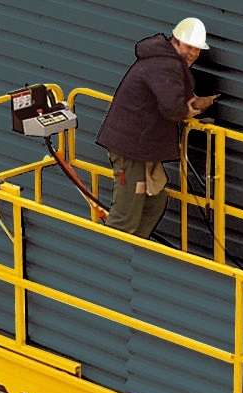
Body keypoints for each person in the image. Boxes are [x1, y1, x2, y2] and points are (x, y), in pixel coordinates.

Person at [96, 17, 217, 238]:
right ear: (175, 42)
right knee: (126, 213)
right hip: (131, 149)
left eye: (197, 50)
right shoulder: (166, 65)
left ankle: (135, 246)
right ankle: (114, 258)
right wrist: (191, 110)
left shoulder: (165, 62)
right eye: (189, 47)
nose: (192, 53)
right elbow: (172, 107)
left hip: (141, 147)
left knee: (154, 202)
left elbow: (172, 96)